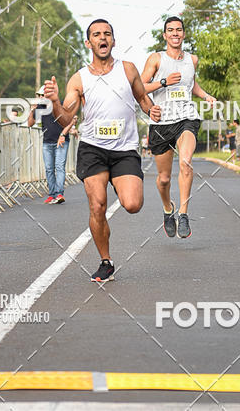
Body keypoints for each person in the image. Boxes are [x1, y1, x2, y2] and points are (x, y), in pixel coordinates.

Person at [44, 19, 160, 283]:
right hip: (93, 149)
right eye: (96, 34)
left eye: (107, 33)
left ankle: (120, 181)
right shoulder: (79, 79)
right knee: (97, 205)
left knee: (132, 204)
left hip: (124, 149)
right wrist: (54, 101)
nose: (102, 37)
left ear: (113, 41)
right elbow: (66, 117)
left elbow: (142, 97)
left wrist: (151, 110)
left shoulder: (128, 69)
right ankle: (106, 261)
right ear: (89, 43)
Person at [141, 16, 216, 240]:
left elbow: (191, 84)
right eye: (171, 30)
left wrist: (205, 95)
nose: (175, 33)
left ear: (183, 33)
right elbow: (140, 86)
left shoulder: (192, 60)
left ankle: (183, 214)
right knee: (164, 178)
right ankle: (168, 209)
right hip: (162, 122)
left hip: (186, 118)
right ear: (165, 35)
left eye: (179, 30)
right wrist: (164, 82)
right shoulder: (156, 59)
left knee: (185, 162)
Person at [28, 85, 76, 204]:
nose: (40, 97)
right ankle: (52, 194)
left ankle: (59, 194)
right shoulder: (41, 107)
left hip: (61, 141)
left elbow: (72, 120)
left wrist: (63, 134)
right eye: (39, 95)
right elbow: (30, 123)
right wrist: (32, 110)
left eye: (42, 95)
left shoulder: (61, 104)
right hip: (47, 142)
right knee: (49, 169)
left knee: (59, 167)